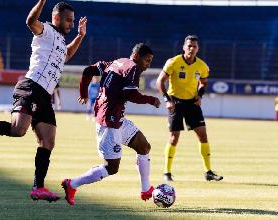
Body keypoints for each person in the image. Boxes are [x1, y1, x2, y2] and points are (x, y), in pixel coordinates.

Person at [0, 0, 87, 202]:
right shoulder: (45, 30)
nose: (71, 24)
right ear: (56, 18)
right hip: (31, 86)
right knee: (18, 130)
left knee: (48, 141)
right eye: (68, 20)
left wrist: (80, 36)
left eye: (73, 21)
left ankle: (38, 187)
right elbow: (30, 21)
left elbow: (67, 55)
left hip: (45, 95)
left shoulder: (62, 42)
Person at [61, 43, 161, 206]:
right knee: (112, 167)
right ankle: (72, 184)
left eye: (150, 62)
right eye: (147, 61)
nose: (148, 65)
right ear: (136, 56)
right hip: (109, 123)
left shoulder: (116, 63)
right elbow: (130, 94)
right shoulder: (133, 67)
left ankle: (145, 189)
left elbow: (88, 71)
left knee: (144, 146)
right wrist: (152, 100)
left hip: (117, 119)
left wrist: (83, 93)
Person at [156, 35, 223, 182]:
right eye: (189, 46)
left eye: (194, 46)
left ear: (198, 49)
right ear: (184, 47)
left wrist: (200, 95)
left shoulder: (202, 66)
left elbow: (204, 83)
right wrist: (167, 100)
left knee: (203, 136)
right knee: (174, 138)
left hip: (192, 104)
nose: (191, 48)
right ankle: (167, 172)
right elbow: (160, 81)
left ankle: (208, 172)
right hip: (176, 103)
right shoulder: (173, 62)